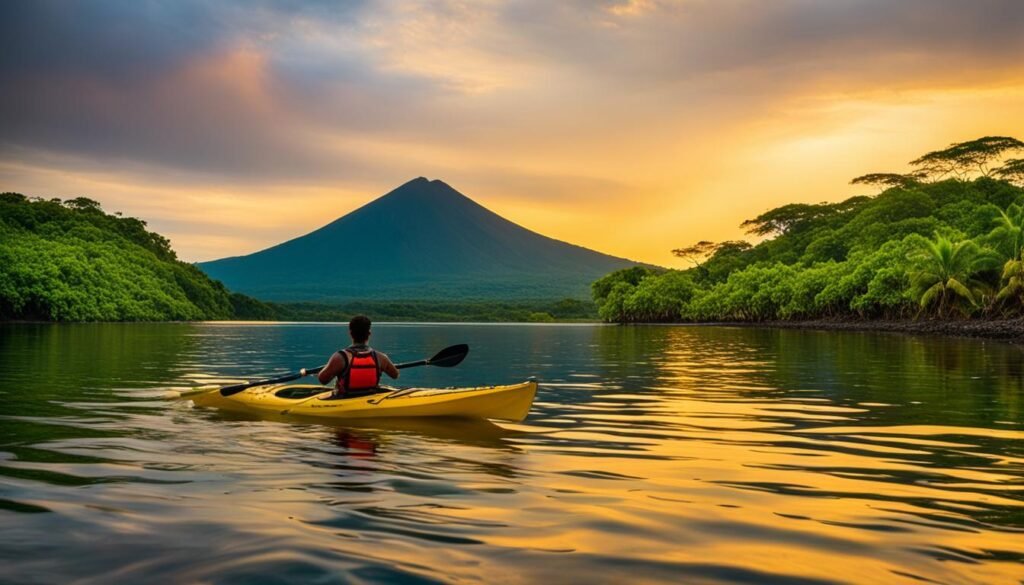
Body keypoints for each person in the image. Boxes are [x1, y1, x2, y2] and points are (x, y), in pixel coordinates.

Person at [314, 315, 399, 396]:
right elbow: (395, 375)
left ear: (350, 333)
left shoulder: (339, 357)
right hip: (370, 399)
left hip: (344, 400)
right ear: (369, 334)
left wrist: (324, 371)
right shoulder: (381, 357)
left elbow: (323, 380)